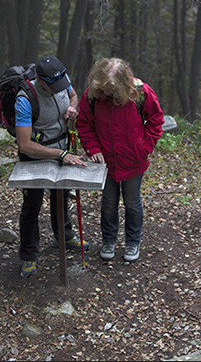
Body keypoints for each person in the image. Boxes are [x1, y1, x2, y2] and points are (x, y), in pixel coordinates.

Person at [76, 57, 164, 262]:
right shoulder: (92, 95)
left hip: (134, 160)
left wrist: (145, 147)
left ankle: (133, 242)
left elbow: (156, 120)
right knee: (108, 203)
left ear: (122, 84)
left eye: (110, 89)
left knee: (132, 203)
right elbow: (84, 124)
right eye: (103, 88)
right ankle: (109, 241)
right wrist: (92, 148)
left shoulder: (141, 93)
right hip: (105, 162)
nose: (106, 93)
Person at [15, 55, 90, 277]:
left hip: (63, 149)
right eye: (53, 86)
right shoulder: (25, 99)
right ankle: (29, 256)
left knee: (61, 197)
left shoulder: (60, 79)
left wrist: (72, 108)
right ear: (41, 81)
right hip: (37, 156)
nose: (59, 89)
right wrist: (61, 154)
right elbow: (24, 144)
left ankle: (64, 237)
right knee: (32, 206)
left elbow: (73, 95)